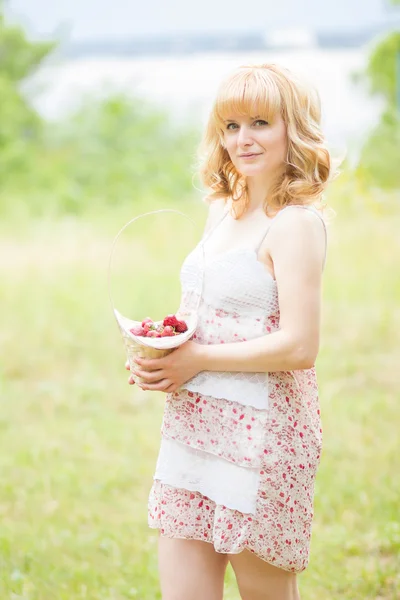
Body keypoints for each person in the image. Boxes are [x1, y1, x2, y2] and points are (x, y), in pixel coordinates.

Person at [125, 62, 334, 600]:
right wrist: (160, 353)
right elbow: (199, 316)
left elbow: (300, 346)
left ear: (293, 127)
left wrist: (197, 359)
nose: (243, 139)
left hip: (261, 439)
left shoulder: (296, 224)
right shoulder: (220, 208)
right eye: (231, 125)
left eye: (260, 122)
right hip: (195, 428)